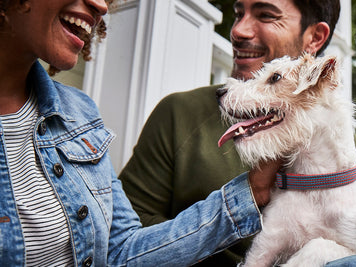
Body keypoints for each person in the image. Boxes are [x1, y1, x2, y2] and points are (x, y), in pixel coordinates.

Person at [119, 0, 356, 266]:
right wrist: (243, 200)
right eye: (238, 14)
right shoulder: (178, 113)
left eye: (265, 15)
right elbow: (120, 239)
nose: (238, 30)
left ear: (315, 37)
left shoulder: (350, 154)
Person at [0, 0, 283, 265]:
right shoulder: (181, 111)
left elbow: (123, 251)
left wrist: (249, 193)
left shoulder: (79, 114)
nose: (101, 5)